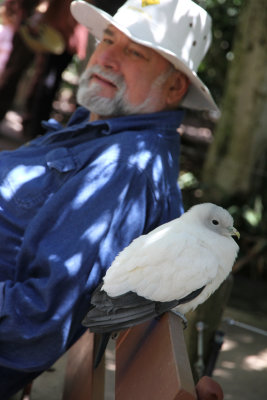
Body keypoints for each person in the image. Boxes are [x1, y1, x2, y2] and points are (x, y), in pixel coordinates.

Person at [0, 0, 219, 397]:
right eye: (108, 39)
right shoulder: (106, 128)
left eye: (134, 52)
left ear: (174, 86)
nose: (107, 58)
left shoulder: (127, 168)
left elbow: (34, 323)